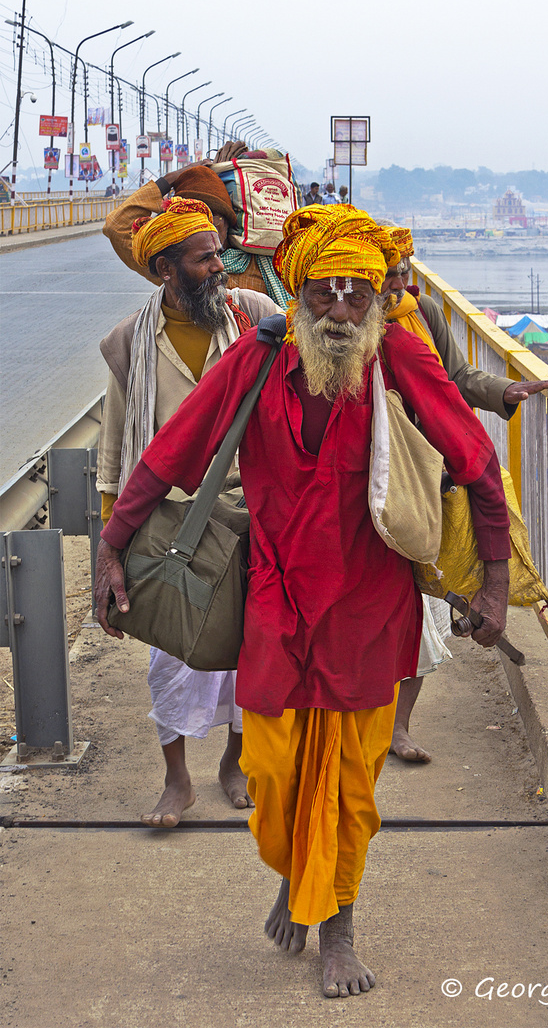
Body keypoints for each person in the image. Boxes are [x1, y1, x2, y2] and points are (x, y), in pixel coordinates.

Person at [94, 204, 511, 998]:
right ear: (298, 293)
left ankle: (339, 931)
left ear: (379, 300)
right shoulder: (255, 361)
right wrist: (111, 546)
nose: (344, 311)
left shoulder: (401, 359)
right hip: (276, 605)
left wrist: (493, 582)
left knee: (351, 784)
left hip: (367, 609)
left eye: (360, 294)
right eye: (327, 293)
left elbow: (478, 464)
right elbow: (171, 451)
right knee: (274, 774)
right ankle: (297, 876)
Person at [97, 197, 278, 827]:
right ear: (165, 271)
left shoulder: (253, 316)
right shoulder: (129, 343)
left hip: (247, 508)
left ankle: (234, 763)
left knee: (247, 646)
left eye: (219, 254)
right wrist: (110, 546)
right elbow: (116, 446)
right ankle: (178, 782)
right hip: (166, 513)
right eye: (204, 260)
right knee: (169, 650)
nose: (221, 267)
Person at [383, 226, 548, 763]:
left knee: (425, 610)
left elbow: (456, 376)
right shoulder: (352, 328)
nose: (398, 284)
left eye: (403, 272)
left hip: (428, 476)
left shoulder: (421, 313)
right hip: (374, 479)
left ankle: (398, 727)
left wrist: (503, 391)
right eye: (388, 274)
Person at [103, 145, 290, 307]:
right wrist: (170, 178)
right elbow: (116, 226)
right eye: (191, 220)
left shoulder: (262, 264)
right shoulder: (175, 265)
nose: (204, 227)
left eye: (212, 217)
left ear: (227, 222)